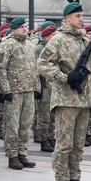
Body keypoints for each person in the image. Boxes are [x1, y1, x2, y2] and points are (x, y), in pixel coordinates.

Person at [38, 2, 91, 181]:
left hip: (83, 99)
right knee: (64, 144)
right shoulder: (58, 40)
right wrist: (64, 77)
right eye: (77, 16)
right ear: (67, 18)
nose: (81, 19)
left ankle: (75, 178)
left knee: (78, 144)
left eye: (82, 15)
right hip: (65, 99)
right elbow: (42, 64)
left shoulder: (85, 41)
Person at [0, 17, 40, 170]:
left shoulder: (29, 45)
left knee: (25, 124)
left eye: (25, 26)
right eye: (21, 27)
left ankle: (22, 153)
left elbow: (35, 68)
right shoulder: (7, 45)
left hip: (28, 90)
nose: (24, 29)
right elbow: (1, 68)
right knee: (12, 125)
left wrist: (36, 88)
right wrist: (5, 90)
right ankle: (12, 156)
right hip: (14, 91)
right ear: (13, 29)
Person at [34, 25, 57, 153]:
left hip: (53, 85)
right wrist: (38, 89)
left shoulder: (53, 47)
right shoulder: (39, 49)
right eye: (53, 36)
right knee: (44, 115)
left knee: (52, 115)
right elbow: (37, 70)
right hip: (44, 86)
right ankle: (43, 139)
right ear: (47, 37)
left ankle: (50, 137)